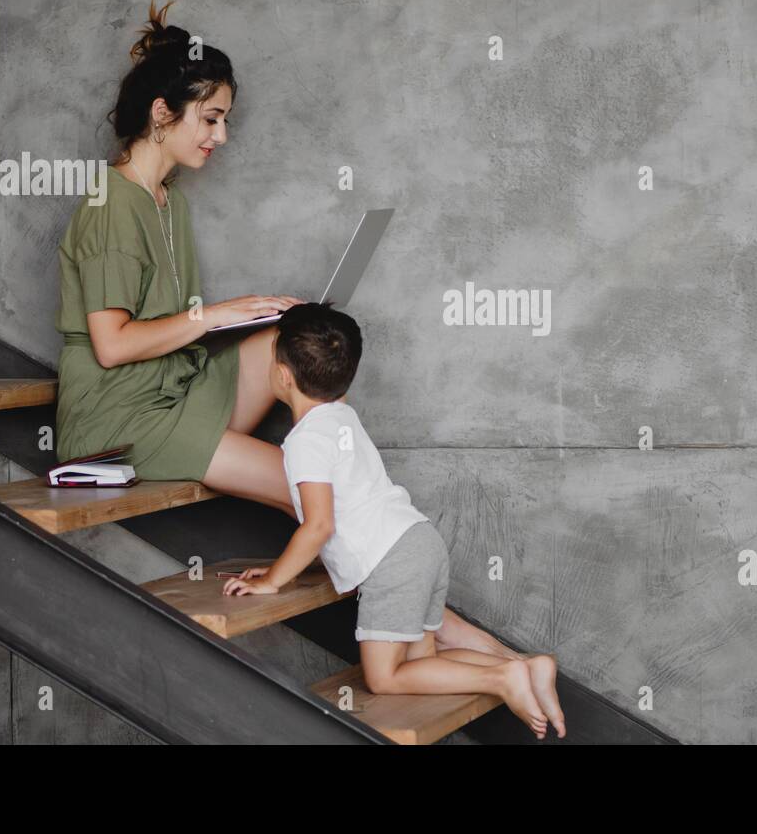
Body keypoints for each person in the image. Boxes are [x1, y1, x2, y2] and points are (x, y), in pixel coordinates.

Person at [54, 0, 525, 665]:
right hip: (119, 416)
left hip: (172, 386)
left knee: (288, 347)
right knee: (305, 486)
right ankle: (466, 641)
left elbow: (168, 332)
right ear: (163, 113)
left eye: (225, 121)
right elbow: (112, 345)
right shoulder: (110, 206)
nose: (220, 137)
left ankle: (440, 621)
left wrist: (274, 319)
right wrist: (215, 314)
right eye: (210, 119)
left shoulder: (168, 201)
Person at [222, 303, 566, 739]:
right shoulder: (343, 417)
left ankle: (501, 679)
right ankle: (523, 666)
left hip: (392, 564)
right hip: (417, 541)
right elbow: (347, 521)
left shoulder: (305, 442)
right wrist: (287, 567)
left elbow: (320, 526)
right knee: (421, 664)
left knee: (383, 678)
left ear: (283, 377)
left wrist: (272, 582)